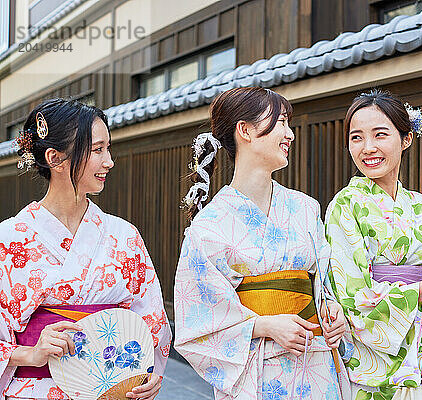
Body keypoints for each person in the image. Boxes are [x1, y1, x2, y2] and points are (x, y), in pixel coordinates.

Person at [174, 87, 351, 399]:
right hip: (257, 368)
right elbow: (199, 319)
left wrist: (333, 309)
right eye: (280, 122)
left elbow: (326, 282)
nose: (289, 134)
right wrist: (265, 325)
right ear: (246, 131)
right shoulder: (209, 225)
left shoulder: (306, 208)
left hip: (316, 360)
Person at [0, 99, 171, 400]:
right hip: (34, 390)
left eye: (108, 148)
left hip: (112, 392)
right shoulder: (8, 238)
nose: (109, 161)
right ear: (55, 158)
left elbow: (151, 322)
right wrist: (27, 354)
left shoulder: (124, 235)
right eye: (97, 149)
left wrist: (149, 373)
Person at [324, 89, 422, 400]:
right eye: (356, 138)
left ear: (406, 138)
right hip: (371, 369)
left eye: (380, 135)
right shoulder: (345, 205)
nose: (368, 148)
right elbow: (351, 297)